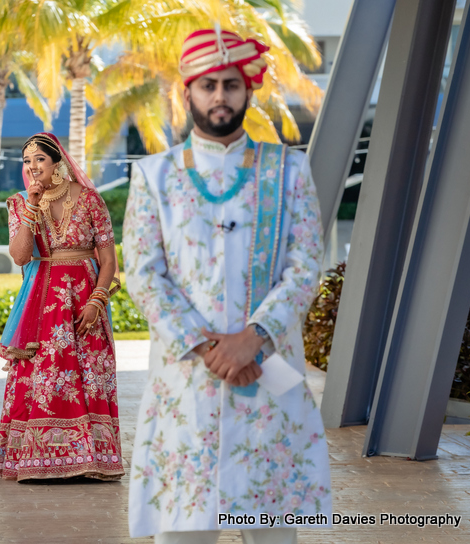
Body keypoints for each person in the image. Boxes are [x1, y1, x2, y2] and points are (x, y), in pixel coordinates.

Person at [123, 27, 332, 543]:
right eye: (208, 84)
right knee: (183, 531)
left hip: (267, 374)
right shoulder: (155, 176)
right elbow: (145, 273)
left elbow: (306, 264)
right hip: (188, 385)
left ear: (249, 90)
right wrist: (211, 349)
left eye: (231, 85)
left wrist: (250, 339)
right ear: (187, 91)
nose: (220, 96)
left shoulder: (288, 170)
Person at [0, 132, 125, 482]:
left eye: (39, 160)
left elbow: (109, 260)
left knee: (89, 374)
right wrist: (33, 206)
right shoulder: (20, 203)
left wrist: (97, 300)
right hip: (43, 300)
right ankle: (36, 460)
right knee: (43, 376)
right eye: (27, 161)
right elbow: (20, 256)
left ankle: (90, 460)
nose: (33, 167)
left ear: (57, 162)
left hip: (85, 294)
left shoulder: (91, 201)